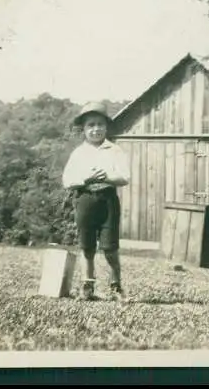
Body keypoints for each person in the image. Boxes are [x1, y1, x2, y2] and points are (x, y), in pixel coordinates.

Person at [62, 101, 130, 301]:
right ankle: (87, 286)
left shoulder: (114, 150)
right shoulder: (78, 153)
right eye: (90, 125)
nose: (95, 129)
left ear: (106, 126)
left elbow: (125, 177)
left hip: (108, 200)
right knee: (87, 246)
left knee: (110, 247)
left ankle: (116, 286)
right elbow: (67, 180)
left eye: (100, 124)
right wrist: (85, 180)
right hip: (85, 200)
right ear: (83, 129)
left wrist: (107, 177)